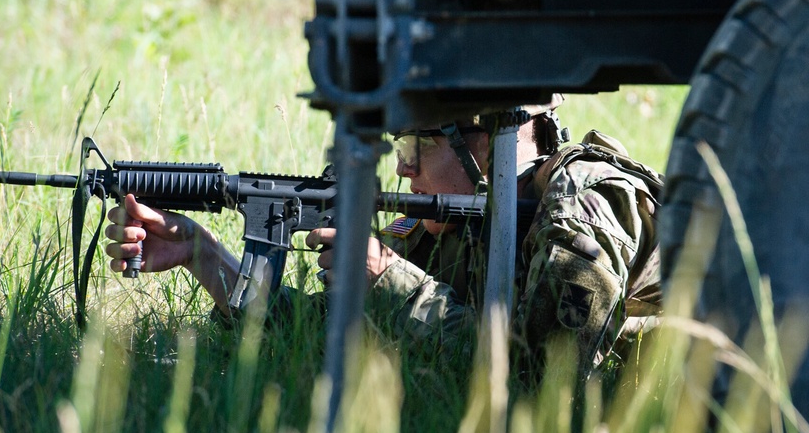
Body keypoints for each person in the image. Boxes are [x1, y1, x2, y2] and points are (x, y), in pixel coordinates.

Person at [104, 98, 663, 381]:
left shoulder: (585, 209)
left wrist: (387, 278)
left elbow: (541, 383)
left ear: (489, 145)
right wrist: (201, 254)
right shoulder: (456, 222)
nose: (402, 171)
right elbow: (319, 337)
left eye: (417, 149)